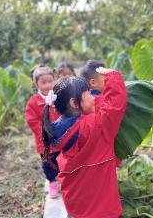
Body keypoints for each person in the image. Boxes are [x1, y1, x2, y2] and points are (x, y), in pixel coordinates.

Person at [42, 67, 127, 217]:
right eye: (88, 94)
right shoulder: (98, 126)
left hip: (78, 207)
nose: (94, 98)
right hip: (103, 209)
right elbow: (115, 105)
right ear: (74, 103)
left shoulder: (58, 130)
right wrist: (113, 76)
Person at [25, 66, 60, 198]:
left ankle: (62, 179)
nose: (48, 85)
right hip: (44, 142)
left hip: (61, 139)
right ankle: (52, 182)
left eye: (50, 81)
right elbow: (32, 121)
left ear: (54, 80)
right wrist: (46, 132)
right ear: (36, 84)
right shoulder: (33, 102)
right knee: (48, 164)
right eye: (43, 82)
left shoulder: (58, 98)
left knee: (61, 161)